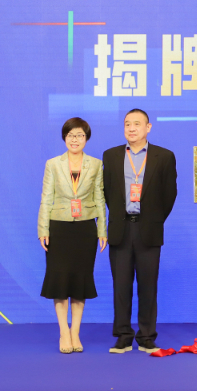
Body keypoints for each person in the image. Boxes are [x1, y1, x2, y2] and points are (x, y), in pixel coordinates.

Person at [102, 109, 177, 354]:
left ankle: (146, 337)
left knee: (148, 286)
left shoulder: (164, 156)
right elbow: (107, 192)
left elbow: (169, 195)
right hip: (120, 229)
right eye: (127, 124)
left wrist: (153, 219)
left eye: (137, 124)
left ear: (148, 127)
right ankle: (123, 336)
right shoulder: (111, 155)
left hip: (149, 230)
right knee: (121, 287)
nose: (131, 128)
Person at [37, 117, 107, 354]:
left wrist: (102, 229)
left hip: (86, 228)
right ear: (64, 138)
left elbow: (100, 198)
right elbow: (46, 197)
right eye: (70, 135)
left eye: (79, 135)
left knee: (80, 281)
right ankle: (63, 332)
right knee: (60, 281)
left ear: (86, 138)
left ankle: (75, 331)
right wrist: (43, 229)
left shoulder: (95, 164)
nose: (75, 140)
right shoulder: (53, 164)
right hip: (59, 227)